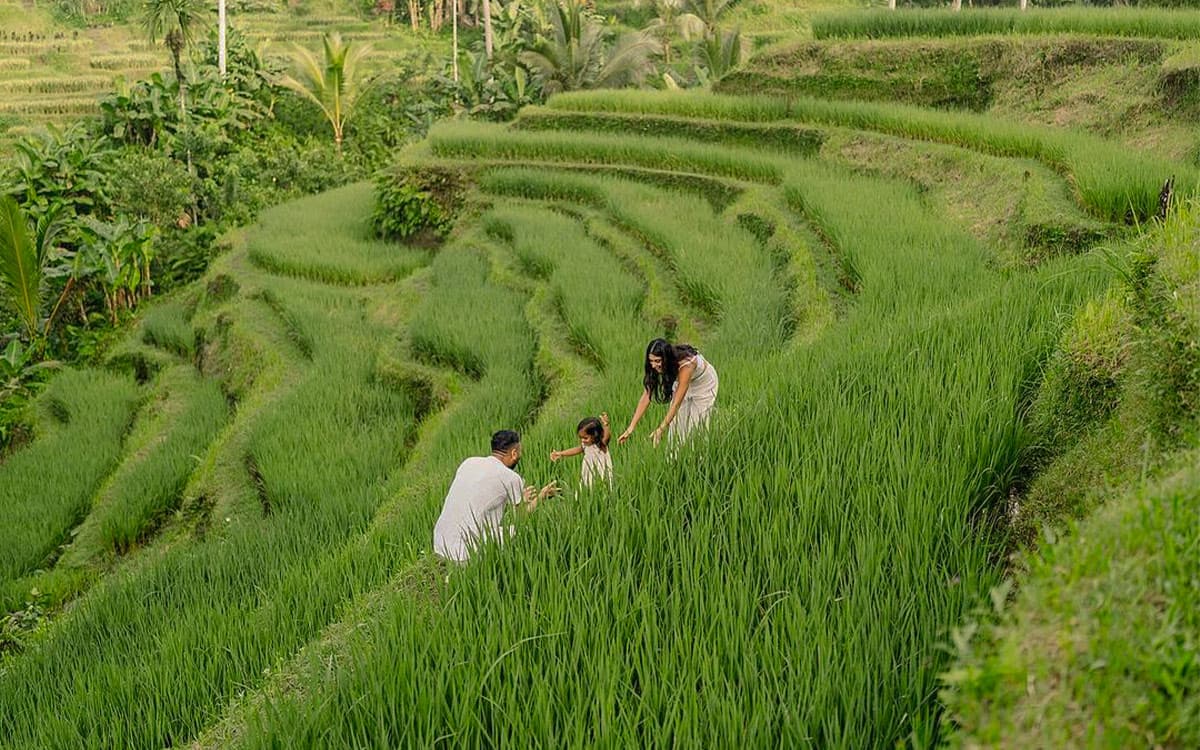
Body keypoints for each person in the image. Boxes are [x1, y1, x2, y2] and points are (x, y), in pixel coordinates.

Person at [432, 430, 559, 563]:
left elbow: (482, 499)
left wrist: (519, 499)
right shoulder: (511, 477)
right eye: (519, 451)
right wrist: (541, 496)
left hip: (440, 543)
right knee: (522, 531)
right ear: (514, 453)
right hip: (463, 554)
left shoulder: (468, 462)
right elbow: (521, 517)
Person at [618, 339, 719, 446]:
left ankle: (698, 458)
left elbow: (676, 404)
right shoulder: (655, 366)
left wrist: (661, 429)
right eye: (651, 361)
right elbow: (647, 395)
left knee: (698, 428)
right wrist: (631, 427)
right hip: (681, 382)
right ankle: (673, 460)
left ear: (667, 359)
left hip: (703, 384)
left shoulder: (687, 365)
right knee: (676, 428)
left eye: (657, 361)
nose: (653, 365)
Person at [549, 413, 614, 489]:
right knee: (586, 487)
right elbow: (576, 450)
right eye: (581, 438)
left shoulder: (601, 445)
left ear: (595, 435)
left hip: (601, 473)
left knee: (602, 487)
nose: (582, 440)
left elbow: (607, 437)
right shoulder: (585, 446)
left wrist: (606, 425)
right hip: (588, 473)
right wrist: (561, 453)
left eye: (585, 438)